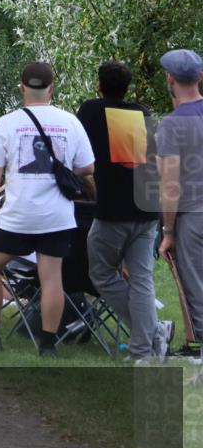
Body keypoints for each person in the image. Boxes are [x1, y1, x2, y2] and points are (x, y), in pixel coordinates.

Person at [0, 61, 95, 356]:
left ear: (22, 88)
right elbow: (87, 167)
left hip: (18, 216)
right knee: (52, 277)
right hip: (57, 216)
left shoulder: (7, 123)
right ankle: (48, 345)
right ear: (52, 88)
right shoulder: (70, 122)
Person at [77, 60, 172, 361]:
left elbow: (80, 153)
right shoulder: (142, 114)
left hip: (113, 209)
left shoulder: (91, 110)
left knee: (101, 272)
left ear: (99, 84)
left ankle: (150, 333)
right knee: (142, 278)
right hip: (147, 208)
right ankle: (144, 348)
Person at [156, 49, 203, 354]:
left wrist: (168, 230)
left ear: (170, 79)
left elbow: (169, 184)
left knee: (195, 285)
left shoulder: (171, 125)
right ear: (200, 78)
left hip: (192, 215)